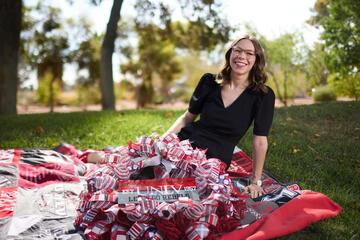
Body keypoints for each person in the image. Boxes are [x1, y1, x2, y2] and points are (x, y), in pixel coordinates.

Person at [163, 35, 275, 199]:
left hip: (212, 160)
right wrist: (161, 141)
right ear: (230, 54)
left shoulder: (262, 95)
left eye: (249, 53)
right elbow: (187, 118)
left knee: (183, 192)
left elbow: (260, 140)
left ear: (256, 60)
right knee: (148, 171)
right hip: (186, 143)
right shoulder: (209, 82)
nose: (242, 56)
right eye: (237, 50)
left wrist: (255, 181)